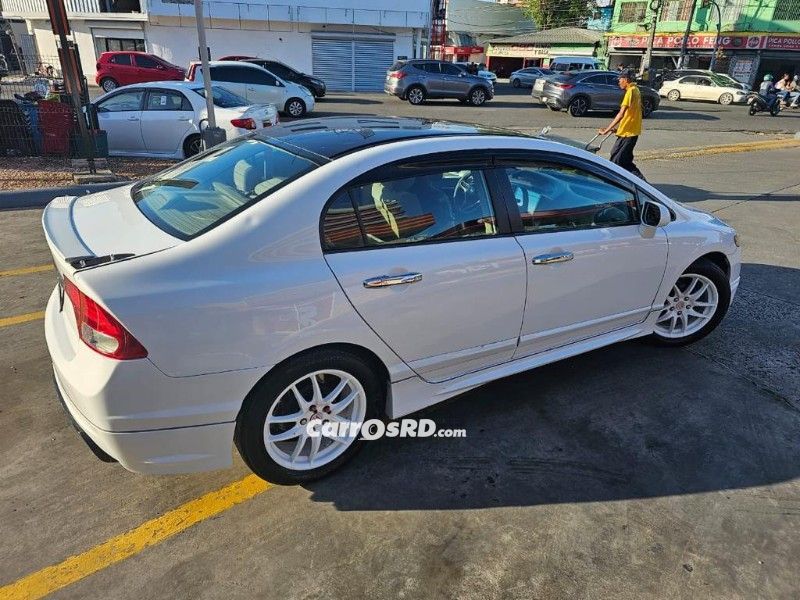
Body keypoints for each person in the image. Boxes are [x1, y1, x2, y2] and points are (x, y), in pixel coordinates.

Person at [599, 70, 645, 180]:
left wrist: (606, 130)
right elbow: (631, 115)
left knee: (616, 160)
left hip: (628, 134)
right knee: (625, 161)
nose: (619, 82)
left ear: (626, 80)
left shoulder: (630, 92)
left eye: (620, 79)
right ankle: (642, 183)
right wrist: (617, 129)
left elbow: (621, 114)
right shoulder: (636, 90)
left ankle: (639, 185)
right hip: (630, 131)